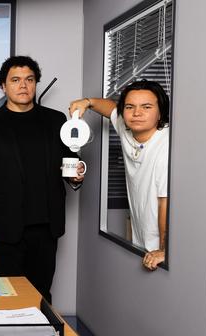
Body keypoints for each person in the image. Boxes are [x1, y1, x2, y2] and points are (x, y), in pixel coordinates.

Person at [0, 56, 84, 303]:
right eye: (15, 80)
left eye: (29, 80)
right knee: (7, 295)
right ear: (3, 86)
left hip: (46, 226)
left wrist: (76, 176)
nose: (23, 85)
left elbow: (70, 162)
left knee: (41, 293)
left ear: (36, 83)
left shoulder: (55, 121)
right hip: (3, 228)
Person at [69, 80, 169, 271]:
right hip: (142, 240)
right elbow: (111, 108)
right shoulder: (127, 127)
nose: (137, 113)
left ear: (160, 112)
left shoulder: (167, 146)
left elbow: (166, 201)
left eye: (146, 107)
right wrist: (87, 102)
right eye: (130, 107)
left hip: (160, 249)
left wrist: (165, 250)